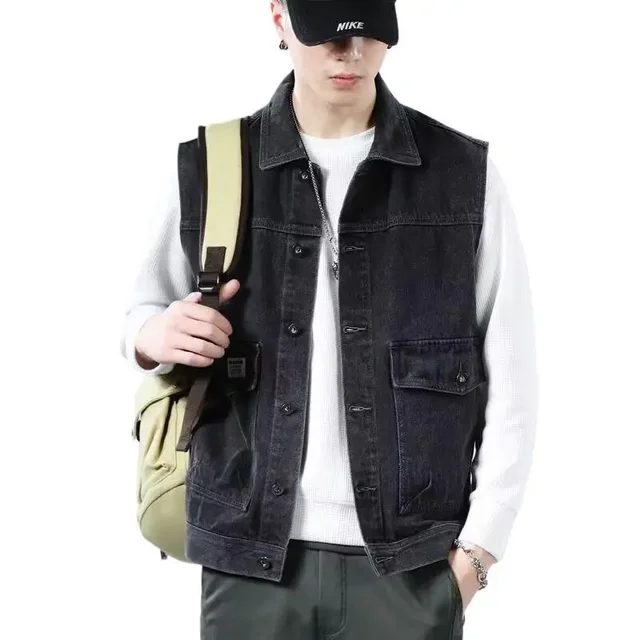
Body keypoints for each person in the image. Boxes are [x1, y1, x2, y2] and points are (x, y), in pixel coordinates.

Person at [120, 1, 538, 638]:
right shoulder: (214, 165)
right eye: (329, 32)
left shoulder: (462, 176)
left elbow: (512, 379)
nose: (351, 51)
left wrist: (478, 554)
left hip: (411, 566)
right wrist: (154, 335)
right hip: (250, 561)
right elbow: (141, 313)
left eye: (368, 29)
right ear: (279, 19)